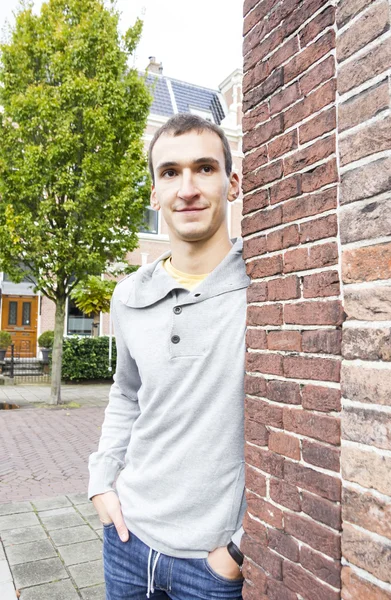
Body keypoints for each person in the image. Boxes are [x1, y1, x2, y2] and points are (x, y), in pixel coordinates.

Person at [88, 113, 250, 600]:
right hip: (127, 539)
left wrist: (238, 551)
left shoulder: (266, 292)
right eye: (170, 172)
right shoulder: (129, 295)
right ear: (155, 194)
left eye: (204, 168)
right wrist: (101, 481)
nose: (188, 188)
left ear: (232, 182)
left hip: (211, 562)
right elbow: (126, 392)